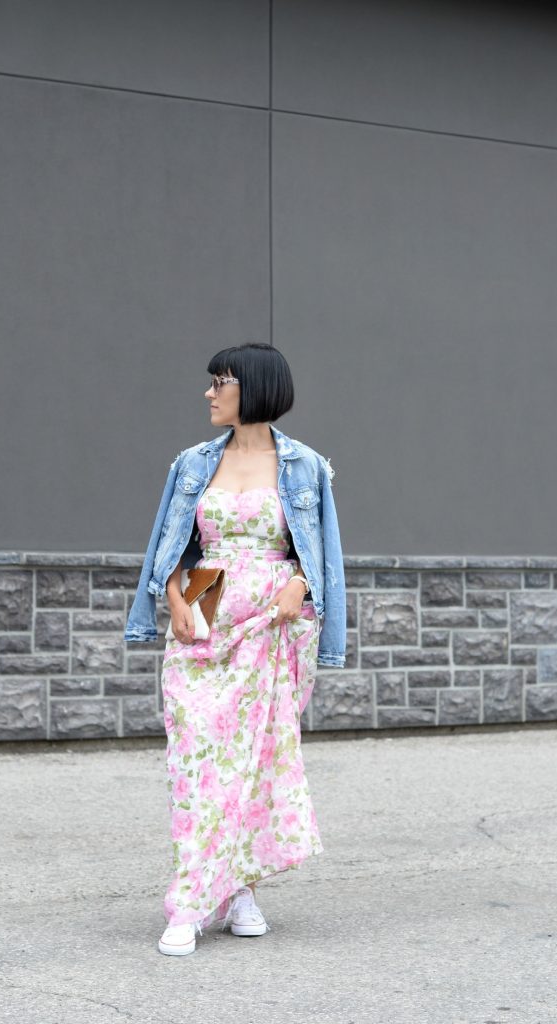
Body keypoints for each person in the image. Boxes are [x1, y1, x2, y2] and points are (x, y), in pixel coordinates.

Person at [123, 342, 346, 956]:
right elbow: (170, 547)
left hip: (274, 614)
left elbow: (319, 554)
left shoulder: (304, 466)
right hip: (209, 591)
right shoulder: (193, 462)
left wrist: (298, 588)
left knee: (252, 762)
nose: (209, 392)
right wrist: (172, 600)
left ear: (253, 388)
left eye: (219, 382)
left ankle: (233, 893)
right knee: (196, 759)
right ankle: (197, 896)